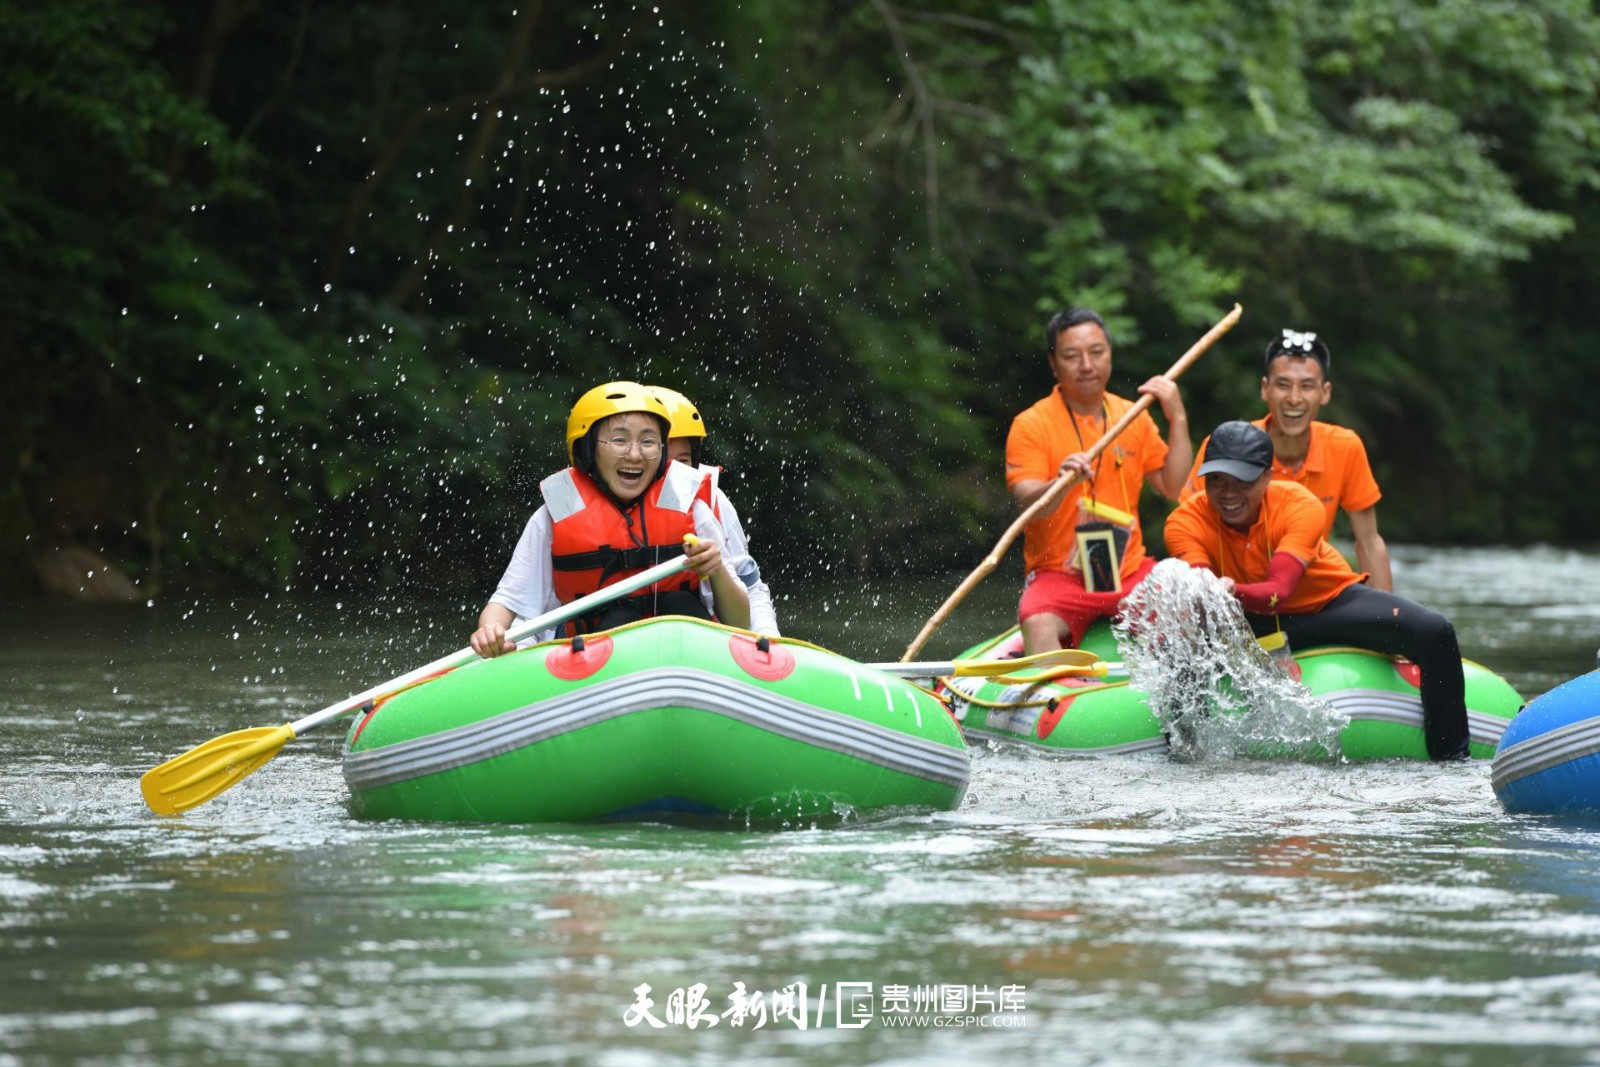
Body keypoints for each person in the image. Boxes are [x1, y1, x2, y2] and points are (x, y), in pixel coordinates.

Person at [1164, 420, 1469, 760]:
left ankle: (1452, 759)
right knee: (1175, 645)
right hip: (1244, 620)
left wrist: (1228, 588)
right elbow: (1201, 589)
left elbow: (1279, 589)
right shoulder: (1183, 522)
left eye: (1243, 480)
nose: (1228, 493)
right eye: (1216, 480)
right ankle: (1186, 759)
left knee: (1435, 630)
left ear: (1267, 477)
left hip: (1324, 606)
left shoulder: (1300, 505)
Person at [470, 381, 750, 657]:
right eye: (619, 440)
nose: (635, 454)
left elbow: (739, 623)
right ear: (587, 449)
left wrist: (716, 571)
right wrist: (490, 631)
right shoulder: (557, 511)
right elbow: (506, 603)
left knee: (680, 605)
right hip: (591, 654)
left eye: (648, 441)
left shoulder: (691, 508)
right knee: (619, 620)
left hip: (683, 648)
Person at [1005, 307, 1193, 654]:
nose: (1087, 365)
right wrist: (1059, 482)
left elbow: (1172, 486)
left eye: (1096, 352)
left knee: (1188, 607)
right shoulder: (1030, 424)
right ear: (1053, 363)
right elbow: (1026, 504)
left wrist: (1177, 417)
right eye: (1072, 356)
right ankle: (1055, 700)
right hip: (1059, 572)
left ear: (1110, 353)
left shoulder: (1131, 415)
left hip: (1130, 568)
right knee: (1037, 621)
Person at [1180, 329, 1392, 590]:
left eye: (1307, 386)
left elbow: (1368, 541)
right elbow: (1189, 526)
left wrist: (1389, 621)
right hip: (1232, 593)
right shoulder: (1223, 447)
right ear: (1264, 388)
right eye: (1282, 385)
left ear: (1325, 393)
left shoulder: (1345, 447)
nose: (1294, 398)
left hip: (1306, 593)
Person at [649, 385, 780, 637]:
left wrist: (768, 642)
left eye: (684, 461)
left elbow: (750, 585)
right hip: (608, 648)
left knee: (680, 605)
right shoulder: (567, 510)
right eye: (664, 461)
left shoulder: (709, 502)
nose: (674, 474)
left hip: (693, 639)